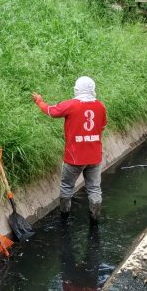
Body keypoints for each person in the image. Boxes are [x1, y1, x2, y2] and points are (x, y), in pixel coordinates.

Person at [32, 77, 107, 224]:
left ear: (77, 89)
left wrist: (39, 101)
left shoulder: (71, 105)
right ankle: (95, 221)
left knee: (67, 187)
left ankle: (64, 219)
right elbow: (102, 127)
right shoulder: (100, 106)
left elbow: (50, 111)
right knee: (94, 189)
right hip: (94, 157)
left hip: (74, 158)